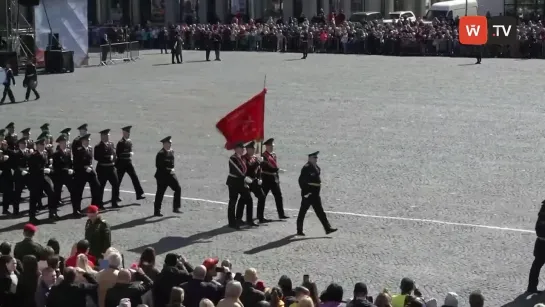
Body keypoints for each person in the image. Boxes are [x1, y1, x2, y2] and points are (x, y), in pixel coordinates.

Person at [296, 151, 337, 236]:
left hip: (315, 194)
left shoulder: (316, 167)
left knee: (320, 212)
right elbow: (301, 181)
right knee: (302, 212)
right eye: (314, 158)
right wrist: (306, 193)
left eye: (316, 157)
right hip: (309, 194)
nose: (316, 159)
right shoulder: (306, 168)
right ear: (310, 158)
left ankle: (327, 228)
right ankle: (299, 230)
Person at [259, 138, 288, 220]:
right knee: (263, 197)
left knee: (278, 196)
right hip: (266, 178)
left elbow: (274, 165)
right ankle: (260, 216)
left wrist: (277, 178)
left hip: (274, 178)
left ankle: (281, 214)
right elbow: (267, 167)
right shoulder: (263, 156)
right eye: (270, 146)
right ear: (266, 146)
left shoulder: (273, 155)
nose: (272, 147)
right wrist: (277, 170)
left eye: (272, 146)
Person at [27, 137, 56, 222]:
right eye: (42, 144)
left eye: (44, 144)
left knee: (51, 193)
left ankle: (52, 213)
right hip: (35, 179)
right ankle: (32, 217)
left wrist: (48, 168)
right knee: (34, 198)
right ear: (37, 146)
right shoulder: (33, 156)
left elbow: (45, 164)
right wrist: (43, 170)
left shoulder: (44, 153)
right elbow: (32, 169)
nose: (44, 146)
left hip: (44, 178)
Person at [154, 136, 182, 216]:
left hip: (170, 175)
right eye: (169, 143)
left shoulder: (171, 151)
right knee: (160, 193)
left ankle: (176, 207)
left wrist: (171, 169)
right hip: (162, 176)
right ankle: (157, 211)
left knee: (178, 188)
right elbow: (158, 166)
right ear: (164, 144)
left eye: (170, 143)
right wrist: (168, 169)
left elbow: (172, 163)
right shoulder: (160, 154)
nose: (170, 145)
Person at [226, 142, 252, 229]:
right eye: (241, 148)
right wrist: (245, 178)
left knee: (247, 198)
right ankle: (232, 222)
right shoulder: (232, 158)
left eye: (243, 148)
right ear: (236, 149)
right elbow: (238, 171)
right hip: (233, 182)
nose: (243, 150)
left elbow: (246, 169)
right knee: (233, 202)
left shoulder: (242, 158)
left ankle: (243, 219)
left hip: (241, 182)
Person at [115, 126, 145, 200]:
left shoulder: (129, 141)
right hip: (121, 163)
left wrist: (130, 154)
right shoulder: (120, 143)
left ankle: (139, 194)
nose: (128, 134)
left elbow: (129, 150)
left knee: (135, 178)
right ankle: (115, 196)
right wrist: (129, 154)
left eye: (129, 133)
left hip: (128, 163)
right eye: (127, 132)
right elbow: (118, 154)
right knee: (118, 181)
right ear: (124, 133)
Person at [72, 133, 101, 210]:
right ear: (82, 141)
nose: (88, 142)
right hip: (81, 172)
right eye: (86, 141)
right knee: (78, 192)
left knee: (97, 187)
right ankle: (76, 210)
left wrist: (90, 168)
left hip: (90, 171)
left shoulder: (90, 148)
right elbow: (76, 163)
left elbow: (90, 160)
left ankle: (94, 206)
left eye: (88, 140)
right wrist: (84, 168)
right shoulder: (78, 150)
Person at [51, 134, 78, 216]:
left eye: (65, 142)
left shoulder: (68, 151)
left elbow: (70, 163)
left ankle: (75, 210)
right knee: (56, 194)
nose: (64, 144)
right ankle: (53, 212)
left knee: (73, 192)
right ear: (59, 143)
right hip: (59, 177)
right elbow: (56, 167)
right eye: (62, 142)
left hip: (68, 176)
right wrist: (67, 170)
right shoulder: (56, 154)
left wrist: (72, 169)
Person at [94, 129, 120, 208]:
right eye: (106, 136)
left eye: (108, 135)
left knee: (116, 184)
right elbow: (96, 157)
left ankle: (114, 202)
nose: (108, 137)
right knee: (101, 187)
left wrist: (114, 159)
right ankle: (99, 203)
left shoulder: (111, 144)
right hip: (103, 168)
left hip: (111, 168)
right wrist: (108, 157)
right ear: (102, 137)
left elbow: (114, 154)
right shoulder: (98, 146)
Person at [236, 141, 260, 226]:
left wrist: (259, 178)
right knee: (244, 200)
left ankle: (258, 216)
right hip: (245, 181)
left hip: (253, 181)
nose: (253, 150)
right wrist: (257, 163)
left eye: (253, 149)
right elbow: (248, 169)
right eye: (251, 149)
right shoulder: (244, 158)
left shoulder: (254, 157)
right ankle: (242, 219)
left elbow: (257, 170)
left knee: (261, 196)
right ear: (247, 149)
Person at [528, 200, 545, 293]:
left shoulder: (543, 209)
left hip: (541, 241)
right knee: (537, 265)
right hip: (543, 241)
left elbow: (538, 227)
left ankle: (531, 287)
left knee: (536, 265)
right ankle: (531, 287)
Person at [12, 138, 31, 216]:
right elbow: (13, 165)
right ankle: (16, 211)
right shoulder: (15, 153)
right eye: (23, 143)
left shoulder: (28, 152)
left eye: (25, 143)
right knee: (17, 194)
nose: (24, 145)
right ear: (19, 144)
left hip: (27, 175)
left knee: (33, 191)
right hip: (19, 176)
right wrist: (20, 171)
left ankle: (34, 208)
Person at [0, 138, 13, 215]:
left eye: (5, 144)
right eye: (3, 144)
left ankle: (5, 209)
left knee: (8, 191)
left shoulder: (9, 152)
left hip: (7, 174)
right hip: (1, 174)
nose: (4, 145)